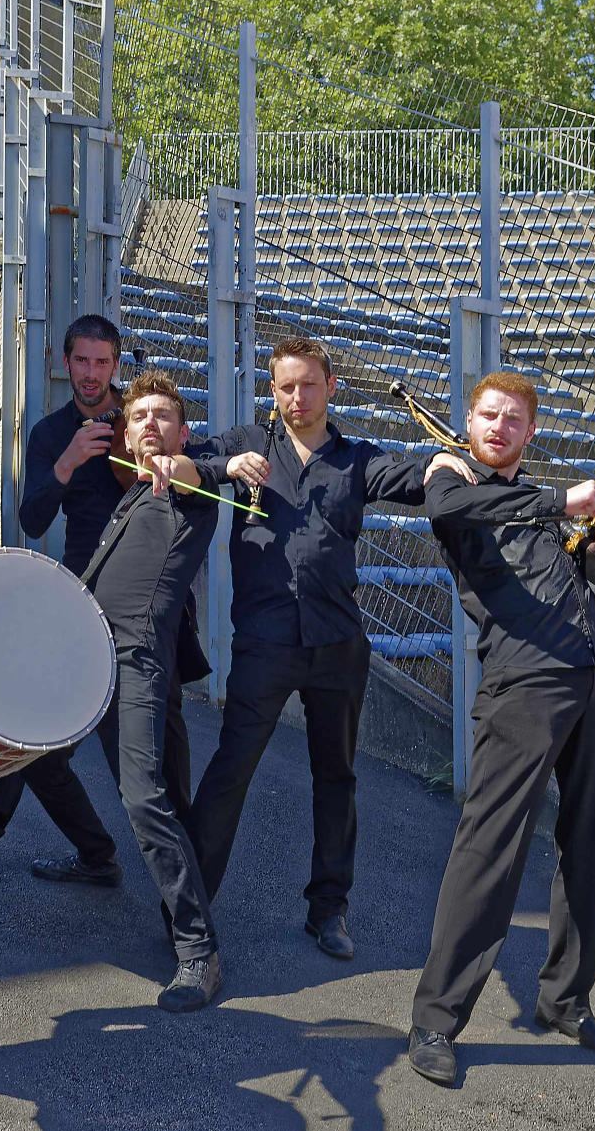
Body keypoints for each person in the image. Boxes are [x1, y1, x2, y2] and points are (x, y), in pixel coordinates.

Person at [404, 371, 595, 1087]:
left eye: (514, 419)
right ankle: (435, 1017)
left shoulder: (548, 514)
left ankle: (567, 1002)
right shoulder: (455, 483)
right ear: (468, 422)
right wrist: (562, 501)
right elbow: (463, 508)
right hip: (523, 685)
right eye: (488, 415)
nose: (499, 427)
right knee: (488, 849)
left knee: (593, 847)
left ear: (530, 432)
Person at [188, 336, 449, 961]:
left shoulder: (357, 458)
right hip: (264, 642)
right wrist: (222, 470)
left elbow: (413, 478)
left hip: (337, 643)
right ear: (273, 393)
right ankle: (190, 908)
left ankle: (328, 910)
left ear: (331, 388)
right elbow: (179, 462)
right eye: (286, 386)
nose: (297, 397)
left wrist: (446, 464)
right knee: (230, 772)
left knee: (336, 776)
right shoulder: (247, 446)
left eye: (309, 385)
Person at [0, 314, 201, 887]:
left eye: (102, 362)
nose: (90, 373)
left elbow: (188, 466)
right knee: (36, 728)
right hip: (80, 599)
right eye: (80, 361)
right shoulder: (51, 433)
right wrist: (68, 461)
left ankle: (190, 854)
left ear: (115, 364)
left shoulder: (139, 418)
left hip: (152, 598)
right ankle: (40, 840)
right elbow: (33, 518)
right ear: (65, 363)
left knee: (164, 739)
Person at [81, 368, 224, 1011]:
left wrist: (183, 467)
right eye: (139, 416)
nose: (149, 425)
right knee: (31, 756)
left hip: (137, 661)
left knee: (144, 797)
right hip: (99, 657)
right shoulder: (134, 493)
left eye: (163, 415)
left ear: (183, 430)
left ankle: (197, 950)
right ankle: (93, 855)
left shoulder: (185, 485)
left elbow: (203, 475)